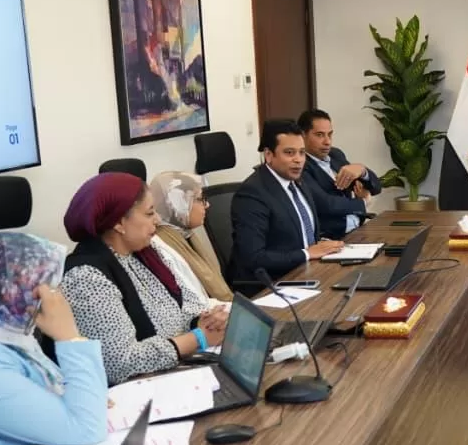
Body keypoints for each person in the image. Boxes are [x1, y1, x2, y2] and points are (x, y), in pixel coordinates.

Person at [58, 172, 227, 386]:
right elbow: (120, 364)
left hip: (169, 374)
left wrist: (201, 322)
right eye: (149, 213)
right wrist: (198, 338)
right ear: (119, 223)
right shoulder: (86, 277)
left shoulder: (141, 252)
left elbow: (175, 312)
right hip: (128, 393)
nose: (157, 220)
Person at [0, 232, 109, 445]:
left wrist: (87, 396)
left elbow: (73, 394)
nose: (53, 295)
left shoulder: (9, 335)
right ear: (7, 291)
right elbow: (86, 428)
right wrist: (69, 336)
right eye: (43, 283)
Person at [231, 119, 344, 282]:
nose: (298, 160)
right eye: (289, 153)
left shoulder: (298, 182)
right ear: (269, 155)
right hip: (275, 282)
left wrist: (326, 246)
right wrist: (306, 253)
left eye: (302, 152)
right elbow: (253, 257)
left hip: (310, 271)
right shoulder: (252, 194)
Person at [298, 108, 382, 239]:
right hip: (331, 237)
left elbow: (376, 188)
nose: (327, 141)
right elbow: (327, 205)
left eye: (330, 134)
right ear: (303, 135)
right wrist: (363, 201)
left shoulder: (335, 154)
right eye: (319, 135)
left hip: (358, 230)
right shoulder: (300, 165)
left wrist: (362, 170)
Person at [149, 171, 232, 304]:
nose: (207, 205)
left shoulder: (185, 233)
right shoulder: (161, 247)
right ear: (178, 204)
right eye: (199, 199)